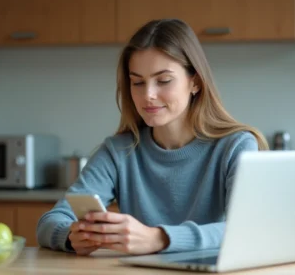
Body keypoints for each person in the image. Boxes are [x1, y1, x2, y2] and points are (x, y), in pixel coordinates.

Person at [36, 18, 269, 257]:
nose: (148, 95)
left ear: (195, 82)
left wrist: (159, 238)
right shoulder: (119, 152)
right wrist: (71, 237)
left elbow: (247, 230)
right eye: (137, 82)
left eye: (163, 81)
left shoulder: (235, 147)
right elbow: (51, 221)